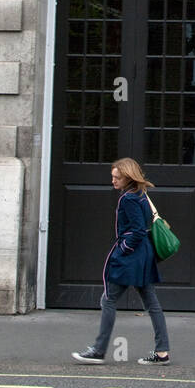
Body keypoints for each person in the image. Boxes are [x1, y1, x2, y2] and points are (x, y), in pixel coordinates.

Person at [73, 157, 171, 366]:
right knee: (151, 303)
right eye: (113, 177)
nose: (113, 181)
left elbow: (135, 230)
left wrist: (123, 249)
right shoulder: (141, 194)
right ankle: (162, 351)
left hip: (131, 256)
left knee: (108, 300)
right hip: (143, 254)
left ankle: (99, 350)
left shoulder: (128, 199)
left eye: (117, 177)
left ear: (127, 177)